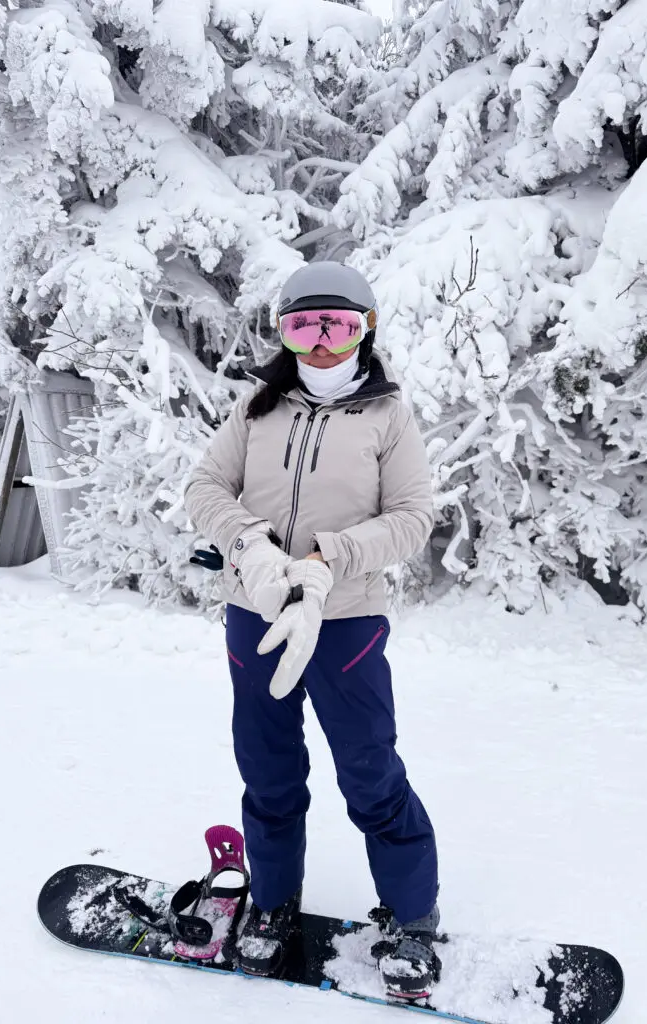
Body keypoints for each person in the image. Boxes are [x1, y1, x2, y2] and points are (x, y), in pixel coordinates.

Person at [183, 261, 441, 997]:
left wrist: (333, 557)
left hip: (344, 617)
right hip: (255, 611)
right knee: (266, 768)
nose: (321, 342)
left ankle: (413, 917)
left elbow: (413, 517)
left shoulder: (389, 416)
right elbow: (205, 487)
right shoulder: (256, 410)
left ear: (366, 329)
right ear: (282, 333)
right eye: (303, 325)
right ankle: (270, 905)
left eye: (338, 325)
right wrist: (252, 547)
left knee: (368, 771)